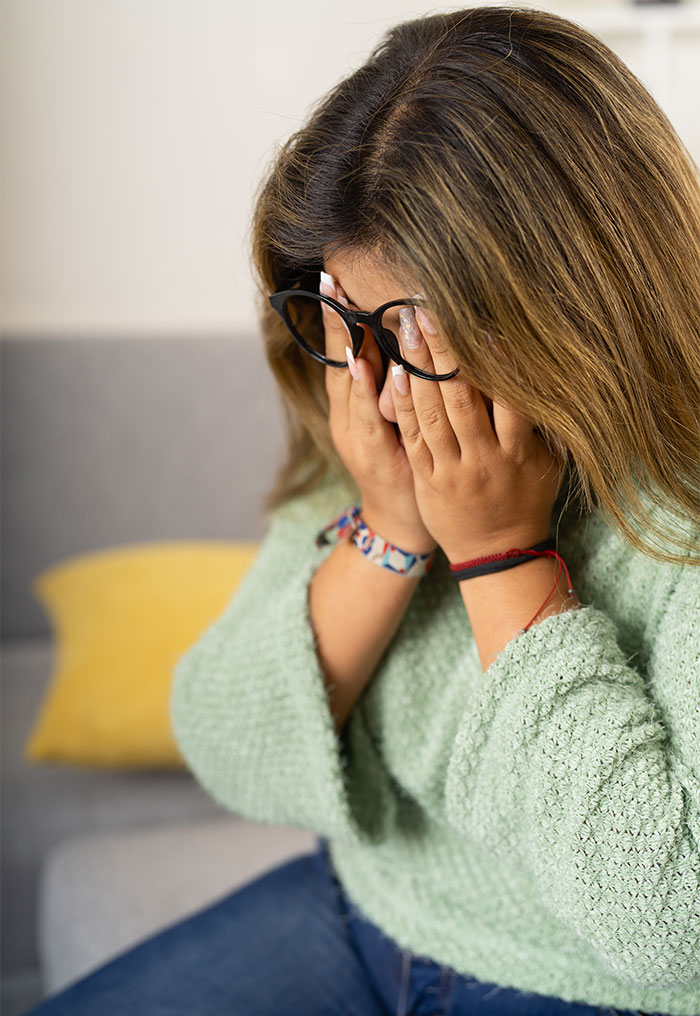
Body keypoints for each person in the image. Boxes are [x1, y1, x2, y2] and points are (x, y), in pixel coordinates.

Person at [26, 5, 700, 1015]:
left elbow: (663, 921)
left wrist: (501, 558)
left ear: (572, 298)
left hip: (592, 981)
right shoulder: (375, 427)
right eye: (344, 318)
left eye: (418, 332)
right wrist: (386, 527)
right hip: (366, 908)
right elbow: (227, 746)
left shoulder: (675, 507)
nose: (381, 388)